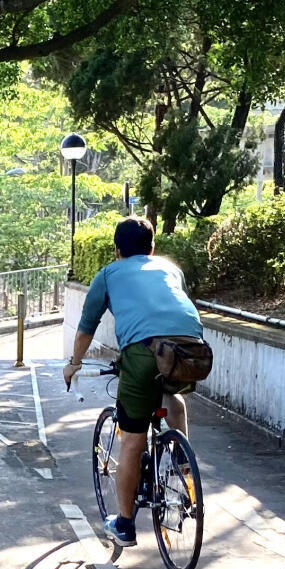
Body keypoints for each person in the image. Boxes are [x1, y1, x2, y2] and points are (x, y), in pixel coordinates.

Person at [62, 216, 205, 547]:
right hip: (190, 348)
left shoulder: (110, 273)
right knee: (173, 399)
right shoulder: (171, 269)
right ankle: (183, 467)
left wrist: (74, 365)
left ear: (116, 250)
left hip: (143, 353)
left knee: (132, 439)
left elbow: (86, 328)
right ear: (152, 248)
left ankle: (125, 525)